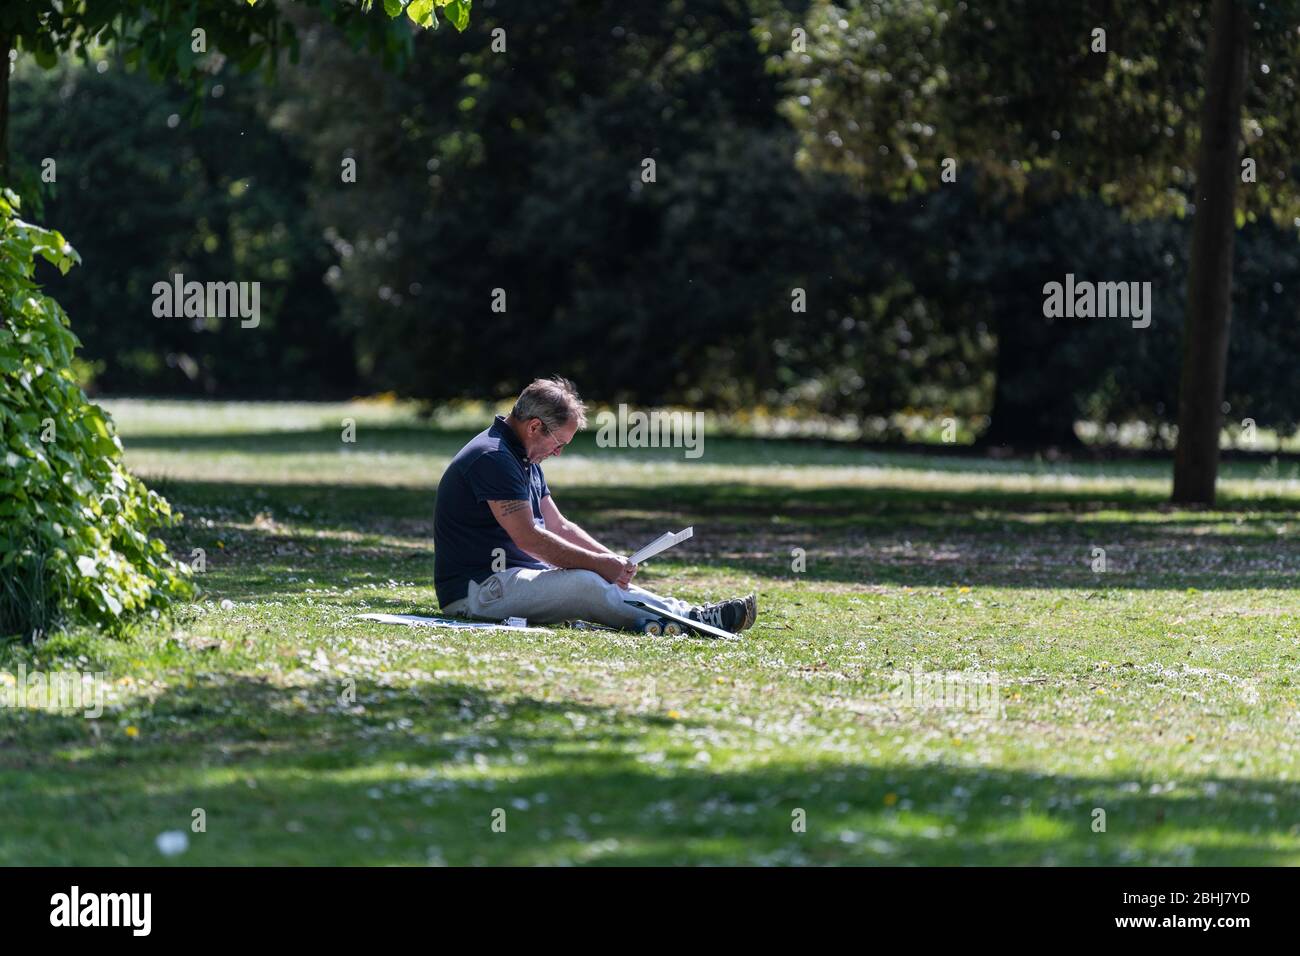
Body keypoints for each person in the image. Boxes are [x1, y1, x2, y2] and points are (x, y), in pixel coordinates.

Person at [434, 376, 757, 633]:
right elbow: (528, 538)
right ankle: (692, 619)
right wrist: (597, 565)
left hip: (511, 579)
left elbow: (559, 526)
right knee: (585, 581)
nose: (558, 452)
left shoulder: (521, 456)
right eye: (558, 443)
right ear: (534, 426)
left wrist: (608, 560)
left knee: (594, 576)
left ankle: (690, 614)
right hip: (476, 592)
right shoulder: (494, 458)